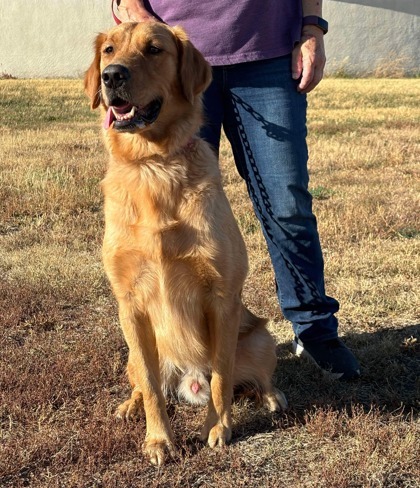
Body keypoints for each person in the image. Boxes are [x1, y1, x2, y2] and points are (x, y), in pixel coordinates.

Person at [110, 0, 361, 381]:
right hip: (171, 56)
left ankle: (314, 331)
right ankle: (171, 357)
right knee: (159, 214)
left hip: (268, 54)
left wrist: (312, 28)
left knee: (286, 201)